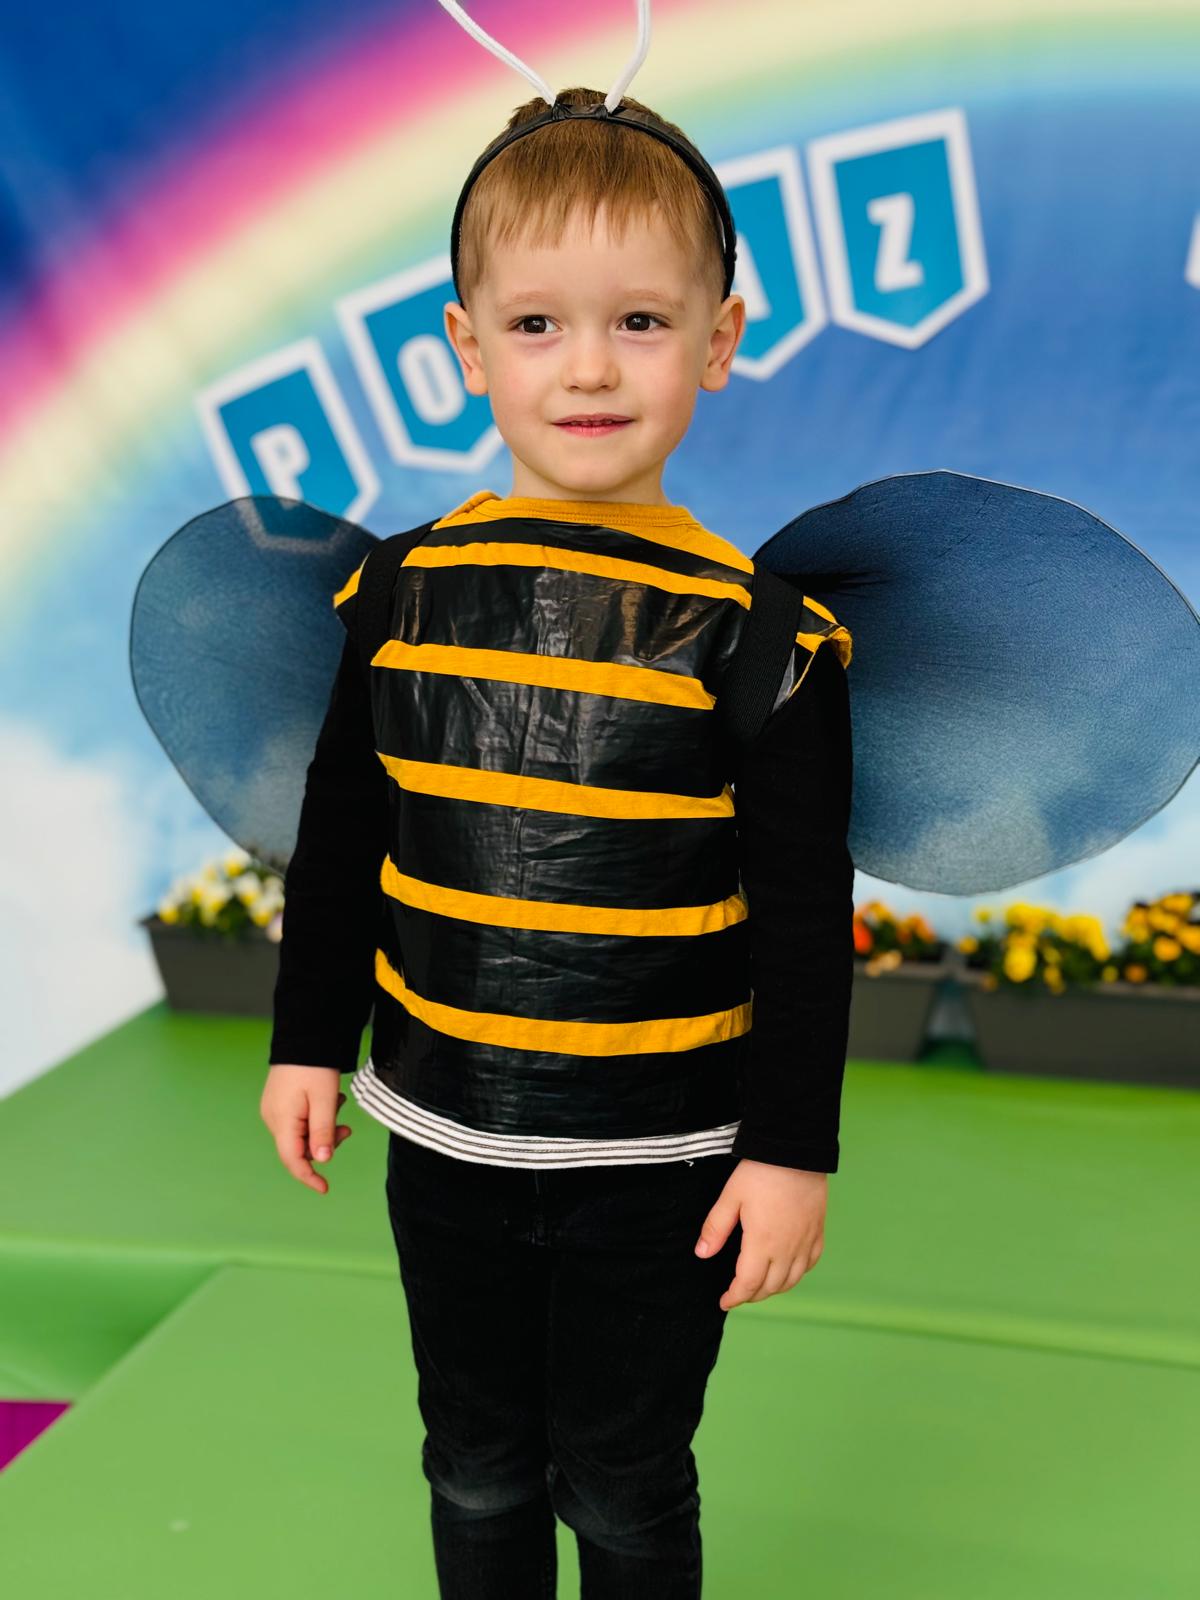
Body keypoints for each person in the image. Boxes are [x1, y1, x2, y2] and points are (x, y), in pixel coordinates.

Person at [259, 77, 855, 1600]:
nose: (589, 367)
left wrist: (791, 1151)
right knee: (472, 1458)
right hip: (443, 1132)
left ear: (720, 339)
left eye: (641, 322)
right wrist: (306, 1042)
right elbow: (341, 836)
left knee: (625, 1477)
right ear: (468, 348)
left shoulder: (765, 639)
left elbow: (802, 924)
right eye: (537, 324)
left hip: (661, 1163)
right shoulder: (397, 593)